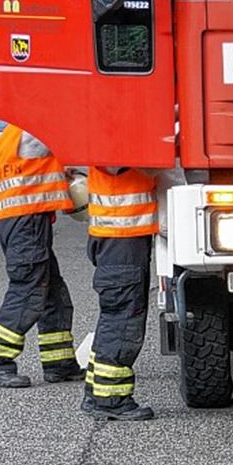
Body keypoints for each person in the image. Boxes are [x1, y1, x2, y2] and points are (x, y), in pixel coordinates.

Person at [0, 123, 85, 387]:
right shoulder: (30, 129)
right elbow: (63, 139)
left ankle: (59, 363)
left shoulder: (11, 135)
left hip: (23, 220)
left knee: (52, 294)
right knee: (30, 290)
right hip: (27, 220)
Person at [79, 166, 158, 421]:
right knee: (123, 319)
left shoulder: (108, 137)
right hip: (121, 239)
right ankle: (110, 399)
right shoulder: (116, 142)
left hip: (117, 238)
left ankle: (96, 393)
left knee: (115, 316)